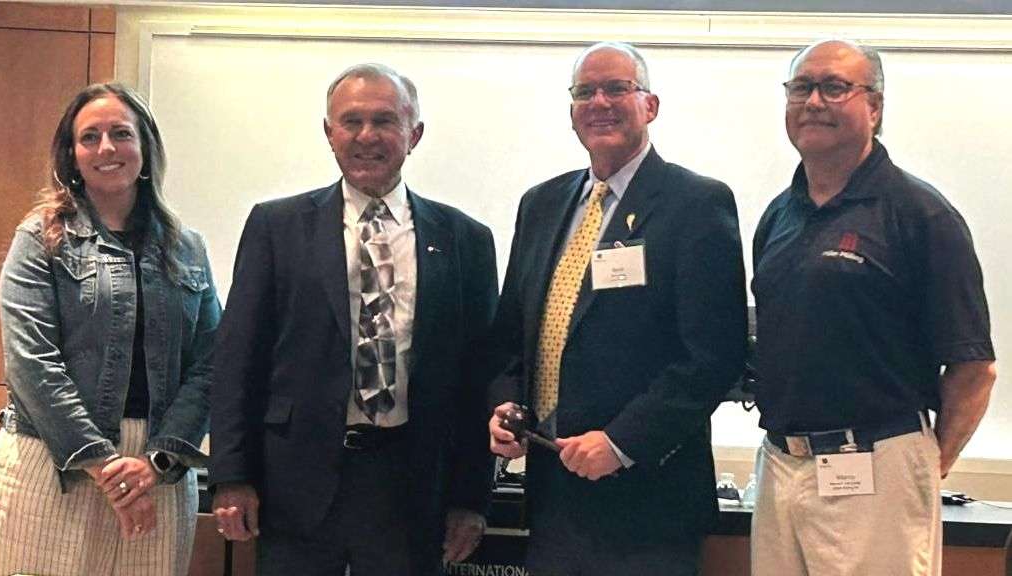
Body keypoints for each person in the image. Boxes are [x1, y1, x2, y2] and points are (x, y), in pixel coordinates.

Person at [208, 63, 498, 575]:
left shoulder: (465, 240)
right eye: (351, 121)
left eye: (385, 121)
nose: (367, 136)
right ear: (329, 132)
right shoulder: (277, 226)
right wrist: (232, 475)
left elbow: (478, 378)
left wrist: (471, 496)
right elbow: (237, 359)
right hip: (296, 485)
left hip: (411, 486)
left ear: (415, 134)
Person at [487, 42, 747, 575]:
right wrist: (505, 409)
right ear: (571, 112)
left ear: (650, 106)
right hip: (552, 491)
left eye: (617, 88)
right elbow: (512, 337)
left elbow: (713, 356)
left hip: (646, 501)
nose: (600, 102)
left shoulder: (696, 204)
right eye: (586, 92)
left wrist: (622, 442)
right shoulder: (540, 204)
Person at [750, 39, 997, 576]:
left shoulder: (921, 215)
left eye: (835, 87)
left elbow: (974, 368)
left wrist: (928, 467)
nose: (814, 101)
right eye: (801, 87)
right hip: (779, 465)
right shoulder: (778, 217)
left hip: (878, 467)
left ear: (875, 107)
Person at [0, 82, 220, 576]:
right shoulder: (38, 238)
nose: (106, 148)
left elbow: (212, 364)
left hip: (156, 473)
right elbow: (32, 364)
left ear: (145, 148)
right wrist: (105, 468)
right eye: (90, 137)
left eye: (120, 134)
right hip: (50, 463)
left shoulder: (188, 248)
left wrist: (153, 465)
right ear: (72, 154)